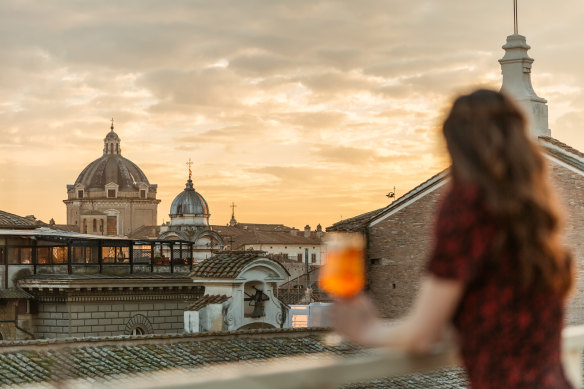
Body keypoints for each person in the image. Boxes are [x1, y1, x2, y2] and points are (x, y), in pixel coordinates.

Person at [332, 89, 574, 388]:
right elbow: (495, 322)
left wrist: (365, 332)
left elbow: (422, 336)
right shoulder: (537, 216)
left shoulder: (467, 205)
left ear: (456, 145)